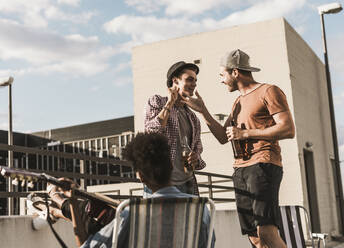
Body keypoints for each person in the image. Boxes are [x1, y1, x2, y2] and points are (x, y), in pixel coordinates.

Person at [181, 49, 295, 248]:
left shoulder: (268, 91)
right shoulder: (237, 103)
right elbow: (222, 137)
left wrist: (246, 134)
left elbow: (288, 128)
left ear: (235, 72)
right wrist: (203, 110)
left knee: (266, 230)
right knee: (254, 236)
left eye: (222, 75)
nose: (221, 80)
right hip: (240, 169)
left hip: (263, 164)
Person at [48, 132, 215, 248]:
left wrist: (73, 203)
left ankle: (55, 202)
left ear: (140, 176)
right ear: (171, 166)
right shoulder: (201, 209)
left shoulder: (131, 215)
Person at [144, 61, 206, 195]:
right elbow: (151, 133)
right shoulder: (157, 102)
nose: (194, 84)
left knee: (193, 216)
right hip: (161, 181)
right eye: (189, 79)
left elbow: (197, 148)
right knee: (156, 217)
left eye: (195, 80)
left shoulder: (193, 117)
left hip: (187, 182)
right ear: (175, 81)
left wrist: (195, 157)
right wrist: (170, 103)